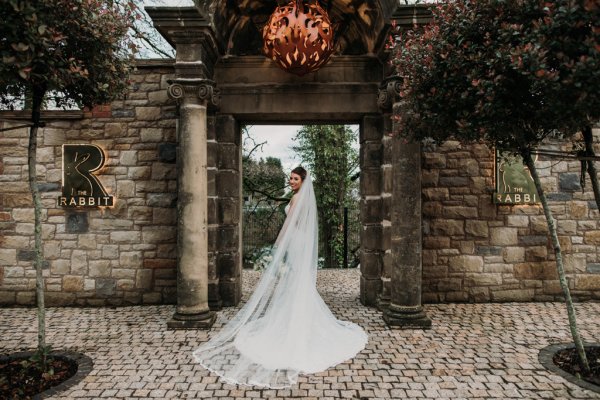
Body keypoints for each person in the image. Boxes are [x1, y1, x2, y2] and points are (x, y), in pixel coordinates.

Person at [193, 166, 367, 388]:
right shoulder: (301, 199)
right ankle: (297, 317)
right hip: (300, 241)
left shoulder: (296, 200)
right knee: (296, 282)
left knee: (294, 281)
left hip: (294, 242)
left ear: (303, 181)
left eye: (295, 179)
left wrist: (277, 245)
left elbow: (289, 224)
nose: (292, 181)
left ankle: (295, 324)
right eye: (291, 178)